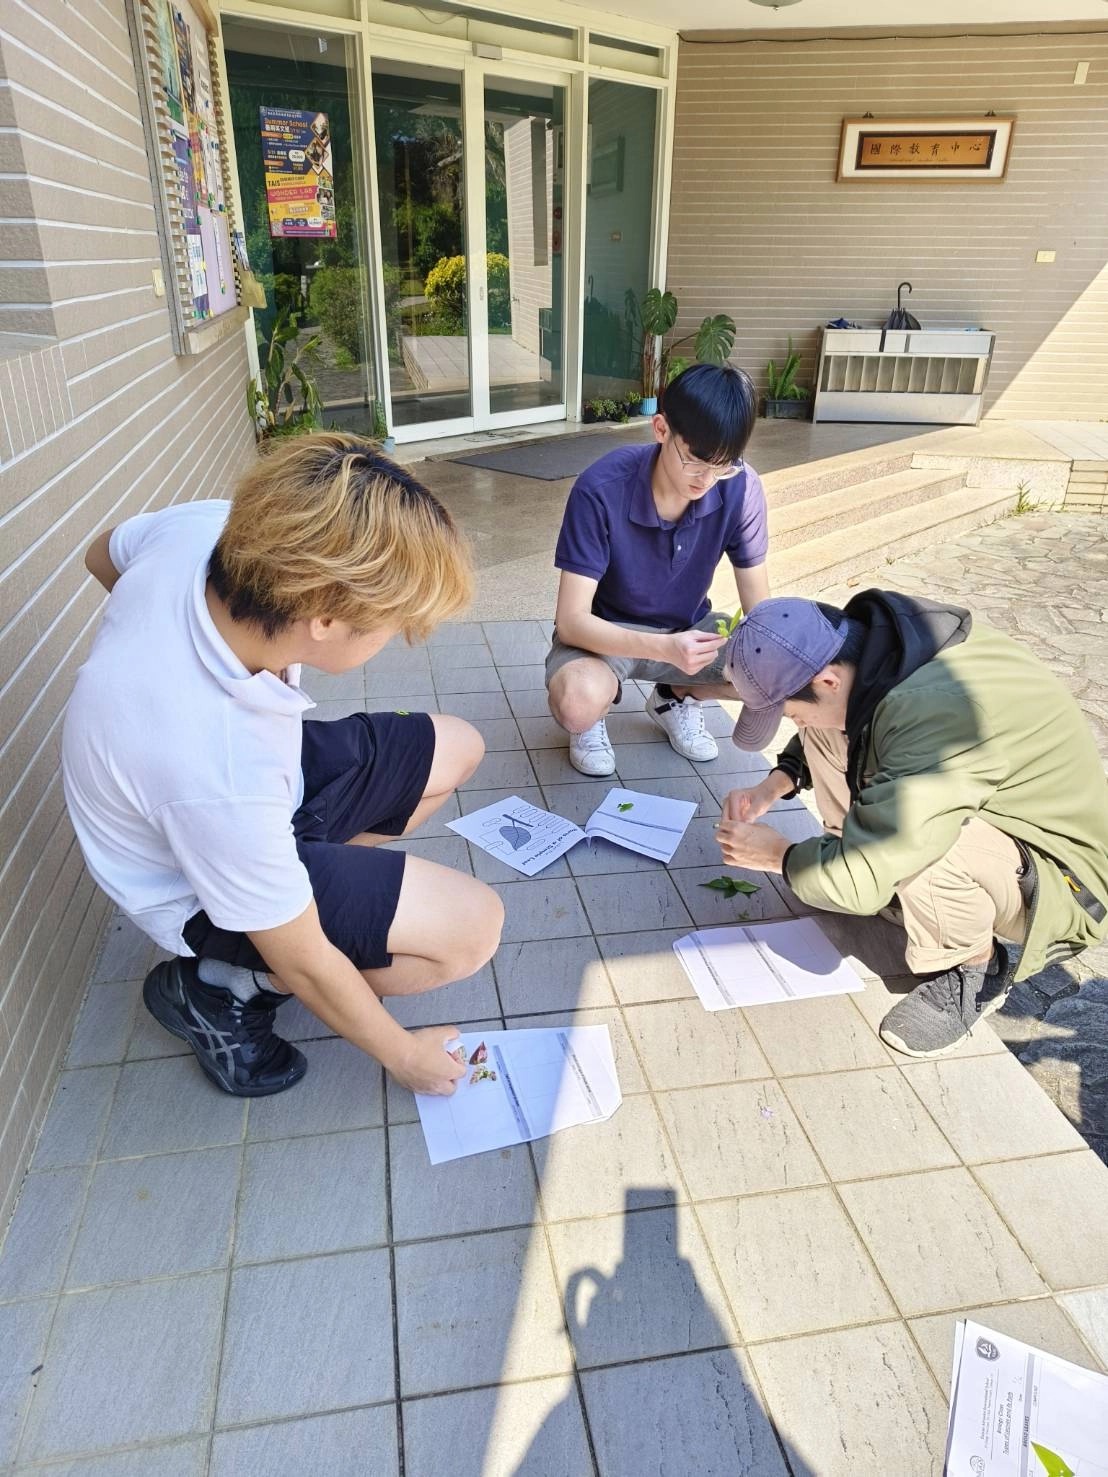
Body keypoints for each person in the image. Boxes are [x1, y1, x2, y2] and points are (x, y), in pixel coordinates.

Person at [62, 433, 504, 1100]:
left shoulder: (216, 531)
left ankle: (286, 891)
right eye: (389, 623)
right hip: (198, 880)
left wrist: (148, 646)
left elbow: (102, 551)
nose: (396, 638)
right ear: (322, 618)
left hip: (246, 794)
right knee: (470, 932)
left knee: (457, 745)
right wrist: (404, 1054)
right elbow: (307, 962)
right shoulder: (215, 765)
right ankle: (224, 986)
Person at [713, 591, 1108, 1058]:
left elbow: (908, 834)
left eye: (789, 711)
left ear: (828, 679)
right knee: (827, 731)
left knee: (924, 845)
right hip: (1000, 826)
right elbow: (840, 723)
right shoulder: (879, 651)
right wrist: (776, 783)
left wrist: (780, 856)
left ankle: (974, 972)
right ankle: (878, 881)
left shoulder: (937, 711)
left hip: (1065, 884)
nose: (792, 721)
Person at [547, 363, 770, 776]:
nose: (707, 479)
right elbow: (572, 621)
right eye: (696, 461)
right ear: (661, 429)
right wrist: (665, 648)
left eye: (723, 465)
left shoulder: (740, 486)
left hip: (690, 628)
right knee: (578, 702)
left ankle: (675, 696)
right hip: (604, 635)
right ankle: (594, 717)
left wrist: (772, 660)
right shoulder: (601, 488)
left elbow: (761, 612)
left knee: (775, 666)